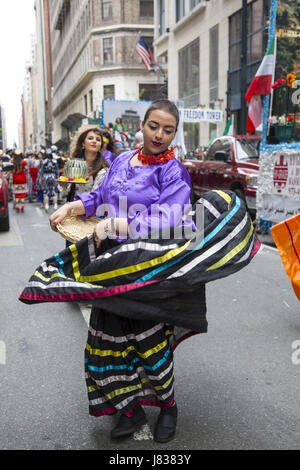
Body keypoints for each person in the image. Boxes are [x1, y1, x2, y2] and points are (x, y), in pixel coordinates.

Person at [49, 100, 195, 443]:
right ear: (142, 126)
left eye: (168, 129)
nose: (159, 134)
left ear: (175, 133)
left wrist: (117, 224)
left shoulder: (174, 171)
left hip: (147, 268)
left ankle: (168, 407)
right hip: (109, 264)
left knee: (150, 345)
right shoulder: (122, 160)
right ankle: (130, 411)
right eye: (154, 126)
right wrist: (73, 204)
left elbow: (169, 220)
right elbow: (100, 195)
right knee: (105, 345)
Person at [38, 148, 60, 212]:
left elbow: (41, 171)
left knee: (46, 192)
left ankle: (46, 206)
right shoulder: (54, 161)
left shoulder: (43, 162)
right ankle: (55, 205)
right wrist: (58, 177)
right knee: (54, 191)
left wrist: (40, 178)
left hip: (45, 177)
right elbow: (57, 171)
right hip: (53, 177)